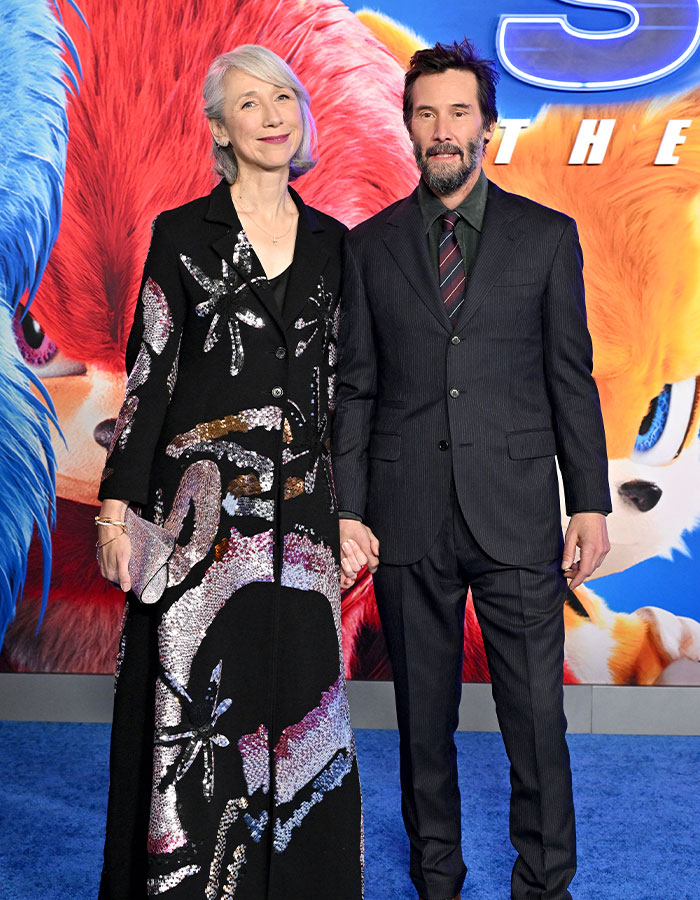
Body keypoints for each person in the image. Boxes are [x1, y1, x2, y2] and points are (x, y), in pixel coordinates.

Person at [333, 39, 611, 900]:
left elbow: (571, 374)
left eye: (459, 113)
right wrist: (347, 509)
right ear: (408, 126)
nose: (441, 130)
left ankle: (545, 884)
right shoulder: (368, 246)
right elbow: (355, 388)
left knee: (536, 721)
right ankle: (437, 879)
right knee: (423, 723)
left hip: (518, 507)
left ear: (488, 128)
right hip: (406, 510)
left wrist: (590, 502)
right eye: (426, 114)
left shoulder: (546, 237)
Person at [96, 44, 364, 900]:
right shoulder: (182, 234)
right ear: (219, 127)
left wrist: (350, 512)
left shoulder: (334, 244)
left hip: (304, 529)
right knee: (204, 720)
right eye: (250, 103)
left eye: (284, 96)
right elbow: (149, 378)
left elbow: (346, 392)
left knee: (300, 719)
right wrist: (115, 510)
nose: (274, 113)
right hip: (198, 531)